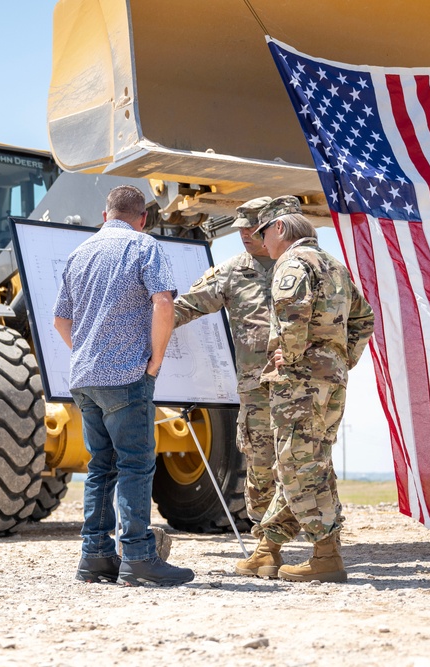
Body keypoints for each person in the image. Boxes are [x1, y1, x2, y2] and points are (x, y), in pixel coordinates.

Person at [53, 184, 195, 587]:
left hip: (84, 378)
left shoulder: (79, 254)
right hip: (127, 376)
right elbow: (163, 302)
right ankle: (137, 557)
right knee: (135, 464)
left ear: (104, 215)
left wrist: (86, 351)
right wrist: (157, 359)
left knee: (101, 467)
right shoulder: (143, 246)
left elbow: (61, 321)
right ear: (143, 218)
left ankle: (94, 557)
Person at [252, 205, 374, 583]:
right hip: (329, 382)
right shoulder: (334, 265)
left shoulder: (292, 264)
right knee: (308, 460)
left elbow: (293, 314)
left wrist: (287, 357)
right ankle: (266, 551)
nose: (260, 242)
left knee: (296, 463)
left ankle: (326, 554)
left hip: (299, 380)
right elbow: (363, 317)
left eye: (262, 234)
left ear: (280, 227)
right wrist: (339, 358)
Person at [172, 196, 291, 577]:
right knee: (259, 465)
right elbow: (184, 306)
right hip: (256, 392)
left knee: (306, 461)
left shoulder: (304, 266)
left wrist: (341, 362)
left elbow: (353, 315)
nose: (241, 231)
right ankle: (265, 546)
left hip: (303, 389)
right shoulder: (232, 271)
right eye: (238, 224)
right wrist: (140, 328)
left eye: (250, 225)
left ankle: (322, 544)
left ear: (273, 226)